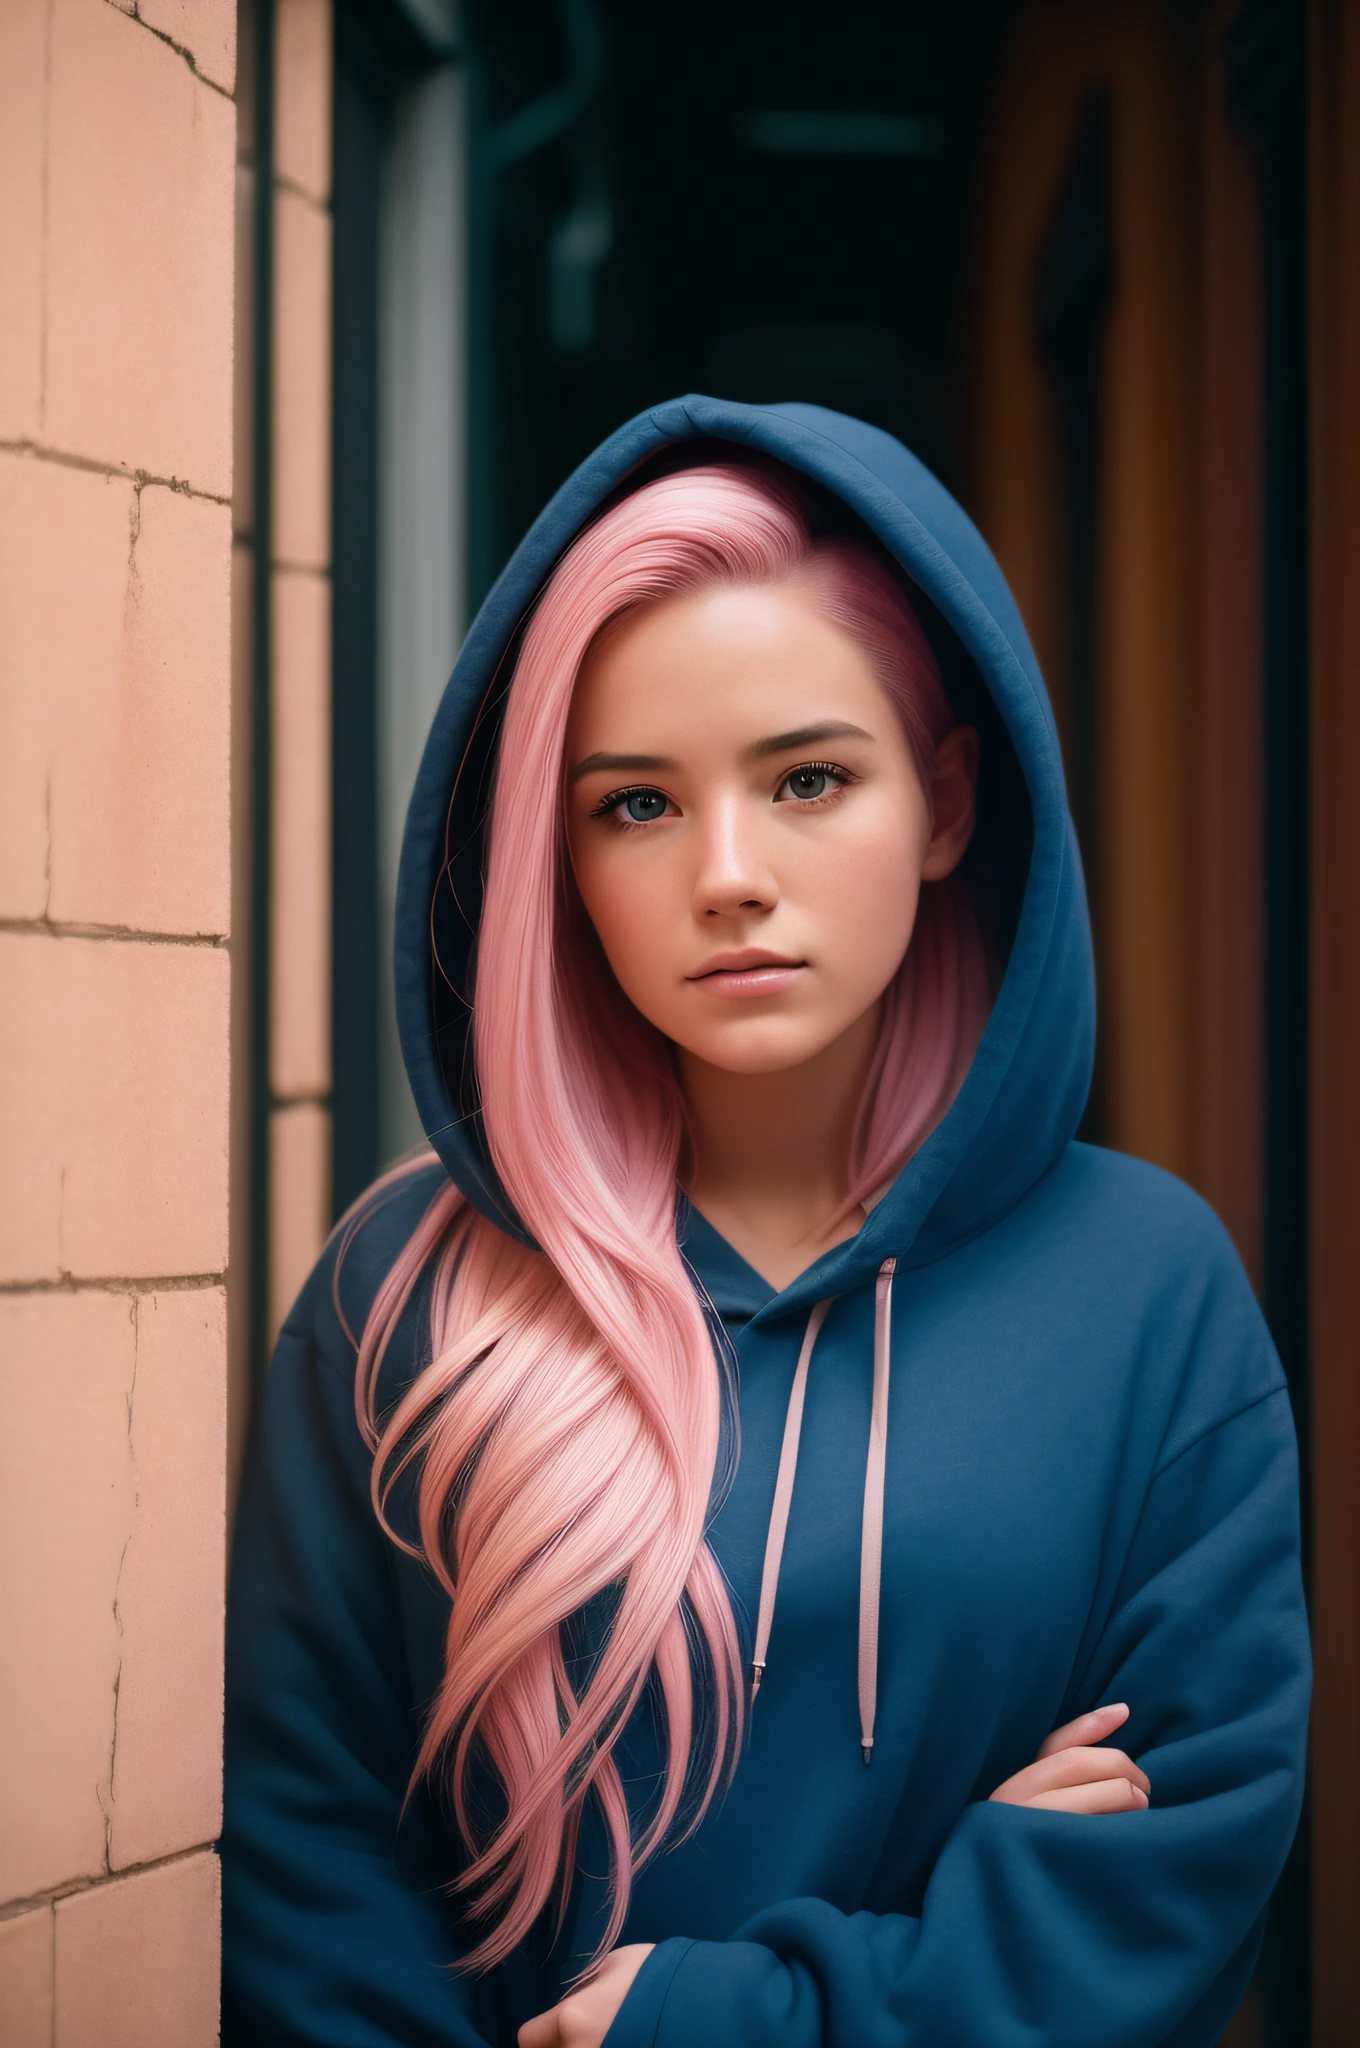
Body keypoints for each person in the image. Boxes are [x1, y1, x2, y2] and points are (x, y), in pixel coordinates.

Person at [221, 397, 1310, 2048]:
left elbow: (1166, 1894)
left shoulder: (1147, 1292)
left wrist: (715, 2025)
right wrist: (965, 1905)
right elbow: (307, 1871)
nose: (728, 873)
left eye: (809, 777)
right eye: (636, 805)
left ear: (948, 807)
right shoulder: (401, 1299)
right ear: (555, 860)